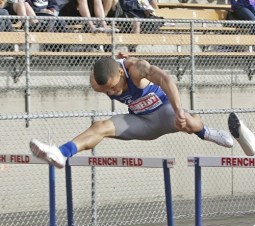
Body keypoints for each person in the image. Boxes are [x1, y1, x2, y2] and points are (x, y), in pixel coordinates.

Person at [30, 56, 236, 168]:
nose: (112, 92)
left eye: (113, 86)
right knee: (99, 127)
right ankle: (61, 153)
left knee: (190, 123)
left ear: (121, 72)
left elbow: (166, 79)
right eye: (107, 91)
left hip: (164, 112)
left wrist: (178, 110)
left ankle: (206, 132)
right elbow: (103, 80)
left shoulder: (136, 69)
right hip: (140, 121)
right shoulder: (96, 81)